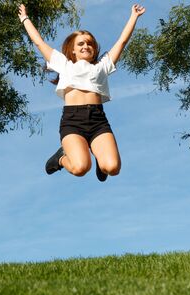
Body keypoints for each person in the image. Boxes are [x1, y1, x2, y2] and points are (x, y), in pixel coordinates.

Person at [18, 3, 146, 182]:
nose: (86, 46)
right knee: (80, 168)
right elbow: (39, 42)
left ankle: (101, 160)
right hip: (73, 121)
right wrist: (25, 18)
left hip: (98, 120)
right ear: (72, 49)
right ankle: (61, 158)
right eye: (81, 43)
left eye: (90, 43)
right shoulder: (64, 64)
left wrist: (133, 16)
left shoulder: (102, 67)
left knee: (113, 168)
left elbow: (122, 42)